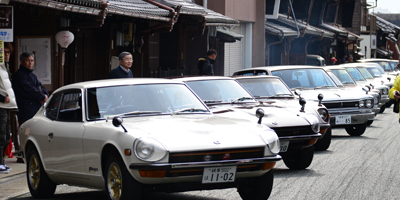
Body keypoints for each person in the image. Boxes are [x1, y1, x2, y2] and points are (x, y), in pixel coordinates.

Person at [12, 52, 49, 130]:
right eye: (28, 60)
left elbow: (41, 87)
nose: (30, 63)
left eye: (32, 61)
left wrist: (45, 96)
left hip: (36, 109)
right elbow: (29, 90)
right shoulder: (19, 75)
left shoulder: (32, 75)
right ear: (21, 62)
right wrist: (42, 97)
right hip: (26, 110)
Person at [0, 44, 18, 174]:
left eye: (8, 53)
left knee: (6, 136)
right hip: (1, 105)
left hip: (7, 105)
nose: (7, 55)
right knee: (1, 136)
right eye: (4, 52)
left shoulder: (5, 68)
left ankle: (2, 162)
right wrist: (1, 98)